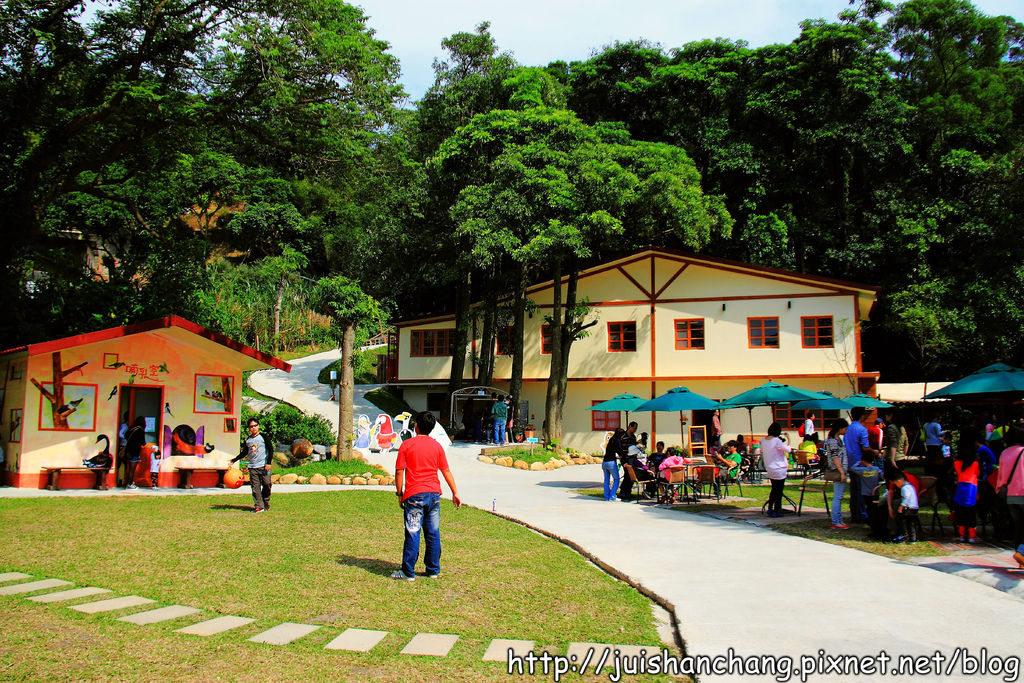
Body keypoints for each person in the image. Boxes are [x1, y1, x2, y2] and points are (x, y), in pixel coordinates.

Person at [392, 411, 461, 581]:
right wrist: (455, 492)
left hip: (414, 495)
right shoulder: (437, 446)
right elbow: (446, 471)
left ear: (416, 427)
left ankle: (408, 572)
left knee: (413, 531)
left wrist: (400, 493)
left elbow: (399, 471)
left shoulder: (407, 445)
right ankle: (433, 570)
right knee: (432, 533)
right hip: (434, 495)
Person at [231, 417, 273, 512]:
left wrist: (269, 463)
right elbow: (244, 452)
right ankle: (259, 506)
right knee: (255, 487)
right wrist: (234, 460)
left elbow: (270, 449)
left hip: (263, 466)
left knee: (267, 484)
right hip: (253, 467)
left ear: (258, 426)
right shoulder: (248, 440)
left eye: (255, 425)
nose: (253, 428)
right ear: (249, 428)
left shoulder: (263, 437)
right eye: (251, 427)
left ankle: (266, 501)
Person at [997, 425, 1024, 569]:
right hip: (1023, 492)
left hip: (1010, 495)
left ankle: (1021, 560)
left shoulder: (1004, 453)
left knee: (1019, 527)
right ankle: (1022, 553)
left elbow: (1000, 477)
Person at [844, 407, 876, 522]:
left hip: (849, 462)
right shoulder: (862, 429)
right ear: (862, 416)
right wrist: (875, 452)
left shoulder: (847, 429)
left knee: (854, 490)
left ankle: (854, 513)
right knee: (862, 490)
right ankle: (861, 514)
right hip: (859, 462)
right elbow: (865, 447)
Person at [760, 422, 792, 518]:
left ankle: (770, 508)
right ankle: (776, 510)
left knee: (774, 489)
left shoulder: (764, 440)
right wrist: (789, 439)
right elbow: (788, 449)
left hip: (770, 467)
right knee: (779, 490)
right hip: (779, 468)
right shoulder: (777, 440)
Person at [823, 419, 849, 529]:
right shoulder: (833, 441)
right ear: (840, 428)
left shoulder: (839, 440)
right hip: (838, 470)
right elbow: (834, 457)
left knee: (839, 496)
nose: (846, 431)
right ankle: (835, 520)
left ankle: (838, 519)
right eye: (845, 429)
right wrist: (841, 472)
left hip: (841, 469)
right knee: (837, 497)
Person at [952, 442, 980, 543]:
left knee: (961, 512)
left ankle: (962, 535)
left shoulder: (956, 463)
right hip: (972, 489)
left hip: (960, 488)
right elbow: (977, 473)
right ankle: (972, 536)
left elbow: (958, 473)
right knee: (971, 512)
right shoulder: (975, 463)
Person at [890, 471, 920, 543]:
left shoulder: (904, 488)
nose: (897, 486)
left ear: (899, 481)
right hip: (914, 507)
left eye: (896, 484)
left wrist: (901, 506)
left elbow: (907, 497)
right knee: (912, 524)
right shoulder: (911, 486)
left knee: (904, 522)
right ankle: (913, 538)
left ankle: (905, 536)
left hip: (908, 508)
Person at [122, 416, 146, 490]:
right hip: (135, 452)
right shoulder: (141, 430)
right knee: (132, 470)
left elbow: (125, 436)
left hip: (128, 451)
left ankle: (129, 483)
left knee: (129, 469)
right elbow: (143, 442)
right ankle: (129, 484)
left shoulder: (132, 428)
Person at [602, 427, 624, 502]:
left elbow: (611, 450)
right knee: (616, 479)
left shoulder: (611, 439)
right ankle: (612, 496)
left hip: (604, 462)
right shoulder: (617, 440)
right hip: (611, 462)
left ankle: (607, 496)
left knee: (606, 480)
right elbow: (620, 451)